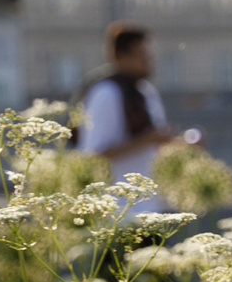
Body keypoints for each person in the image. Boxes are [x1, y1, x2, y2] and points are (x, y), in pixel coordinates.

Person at [78, 22, 194, 202]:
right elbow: (93, 156)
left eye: (149, 55)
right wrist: (146, 140)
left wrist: (183, 143)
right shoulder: (106, 93)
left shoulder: (146, 91)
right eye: (142, 55)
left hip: (146, 205)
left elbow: (155, 144)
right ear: (120, 57)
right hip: (114, 208)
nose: (148, 61)